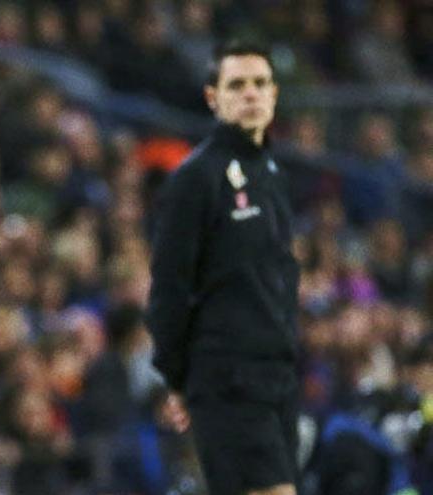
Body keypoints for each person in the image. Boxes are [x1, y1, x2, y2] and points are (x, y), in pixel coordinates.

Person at [148, 39, 300, 495]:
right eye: (237, 85)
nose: (250, 93)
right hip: (227, 374)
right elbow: (169, 287)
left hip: (277, 372)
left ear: (274, 94)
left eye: (260, 83)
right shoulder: (196, 178)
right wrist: (176, 378)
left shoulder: (271, 172)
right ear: (213, 98)